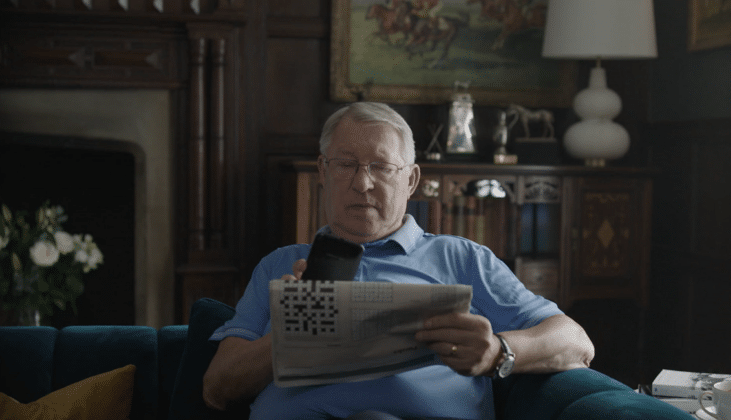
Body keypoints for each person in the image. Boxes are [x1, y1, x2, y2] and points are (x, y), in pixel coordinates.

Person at [202, 102, 595, 420]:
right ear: (323, 171)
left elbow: (576, 343)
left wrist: (497, 352)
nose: (362, 183)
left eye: (381, 167)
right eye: (346, 164)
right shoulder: (281, 265)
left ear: (411, 180)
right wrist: (293, 332)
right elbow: (216, 389)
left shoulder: (461, 258)